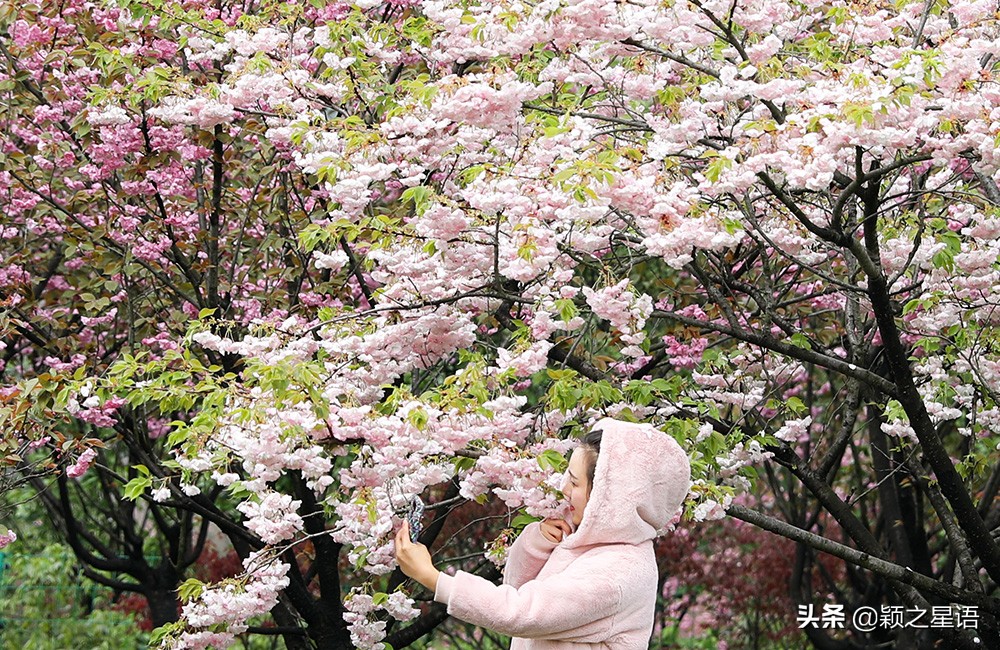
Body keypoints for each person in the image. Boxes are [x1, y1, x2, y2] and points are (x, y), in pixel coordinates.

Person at [394, 417, 692, 649]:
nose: (564, 490)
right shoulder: (591, 542)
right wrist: (537, 543)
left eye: (575, 483)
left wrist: (433, 578)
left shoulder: (618, 571)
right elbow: (517, 589)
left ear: (610, 496)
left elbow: (520, 612)